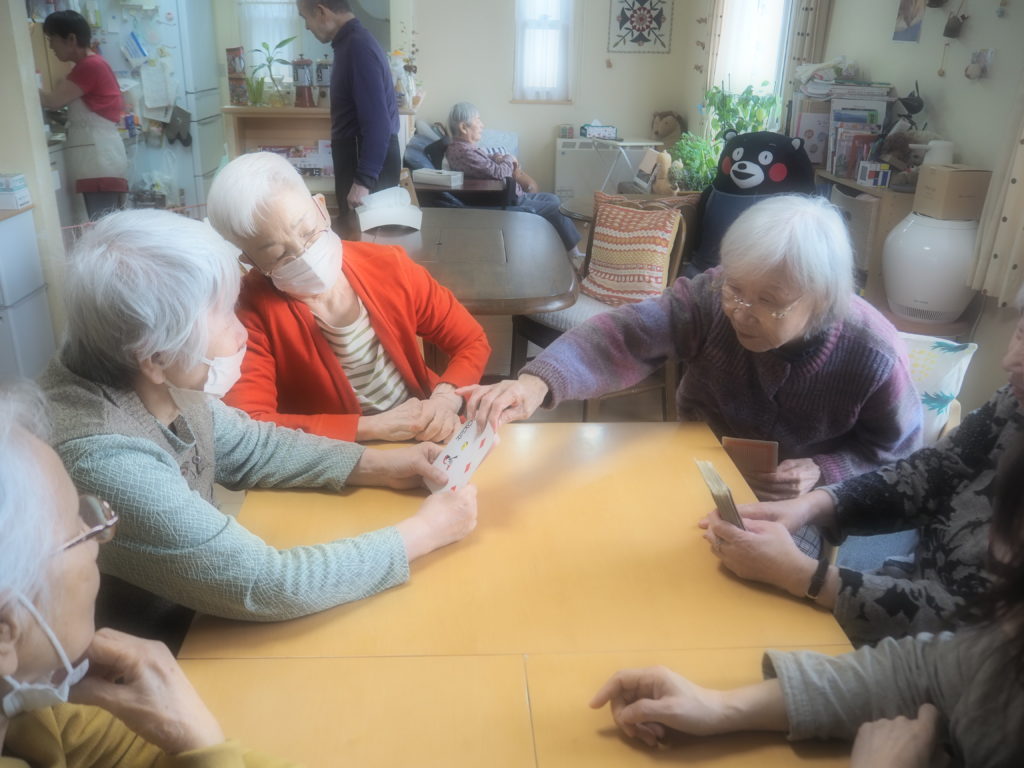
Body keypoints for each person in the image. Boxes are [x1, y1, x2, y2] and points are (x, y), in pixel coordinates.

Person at [38, 209, 478, 646]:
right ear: (154, 356)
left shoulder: (152, 371)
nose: (241, 334)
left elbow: (252, 446)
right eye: (225, 316)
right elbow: (269, 585)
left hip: (196, 617)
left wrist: (382, 465)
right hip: (150, 648)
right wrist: (425, 531)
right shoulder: (104, 458)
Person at [590, 433, 1024, 766]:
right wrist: (722, 707)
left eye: (1008, 580)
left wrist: (807, 576)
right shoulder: (999, 645)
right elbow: (923, 671)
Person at [462, 195, 921, 502]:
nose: (740, 312)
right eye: (736, 288)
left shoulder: (874, 355)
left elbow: (899, 455)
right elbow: (626, 335)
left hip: (797, 502)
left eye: (769, 302)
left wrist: (824, 471)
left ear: (822, 299)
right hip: (698, 464)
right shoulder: (711, 295)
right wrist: (536, 382)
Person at [701, 287, 1024, 646]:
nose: (1010, 362)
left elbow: (979, 632)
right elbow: (931, 473)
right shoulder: (1015, 400)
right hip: (905, 586)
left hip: (946, 652)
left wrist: (803, 576)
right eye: (1021, 332)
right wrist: (809, 506)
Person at [0, 380, 294, 765]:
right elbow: (269, 582)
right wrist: (203, 742)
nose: (99, 540)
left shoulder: (37, 717)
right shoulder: (106, 445)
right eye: (80, 530)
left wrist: (187, 737)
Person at [206, 151, 491, 443]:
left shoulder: (388, 266)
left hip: (427, 429)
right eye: (279, 255)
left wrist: (445, 399)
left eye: (308, 231)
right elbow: (250, 426)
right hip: (334, 454)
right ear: (250, 261)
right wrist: (372, 427)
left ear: (320, 207)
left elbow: (471, 340)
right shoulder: (246, 313)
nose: (304, 255)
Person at [296, 0, 400, 210]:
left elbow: (378, 123)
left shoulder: (357, 47)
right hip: (359, 158)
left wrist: (364, 181)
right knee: (355, 229)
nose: (306, 26)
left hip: (364, 165)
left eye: (305, 18)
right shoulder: (351, 43)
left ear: (321, 12)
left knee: (361, 231)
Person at [444, 102, 583, 258]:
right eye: (478, 120)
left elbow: (485, 162)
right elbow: (499, 173)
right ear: (464, 127)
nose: (482, 125)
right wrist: (509, 158)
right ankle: (574, 255)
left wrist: (498, 157)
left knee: (553, 199)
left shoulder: (464, 148)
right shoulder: (463, 152)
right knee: (556, 210)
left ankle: (557, 248)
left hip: (510, 195)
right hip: (505, 200)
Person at [39, 10, 127, 220]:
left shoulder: (89, 66)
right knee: (107, 222)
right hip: (101, 154)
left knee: (103, 224)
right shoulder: (93, 63)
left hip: (98, 158)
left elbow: (53, 101)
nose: (50, 46)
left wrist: (24, 83)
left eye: (52, 39)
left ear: (71, 39)